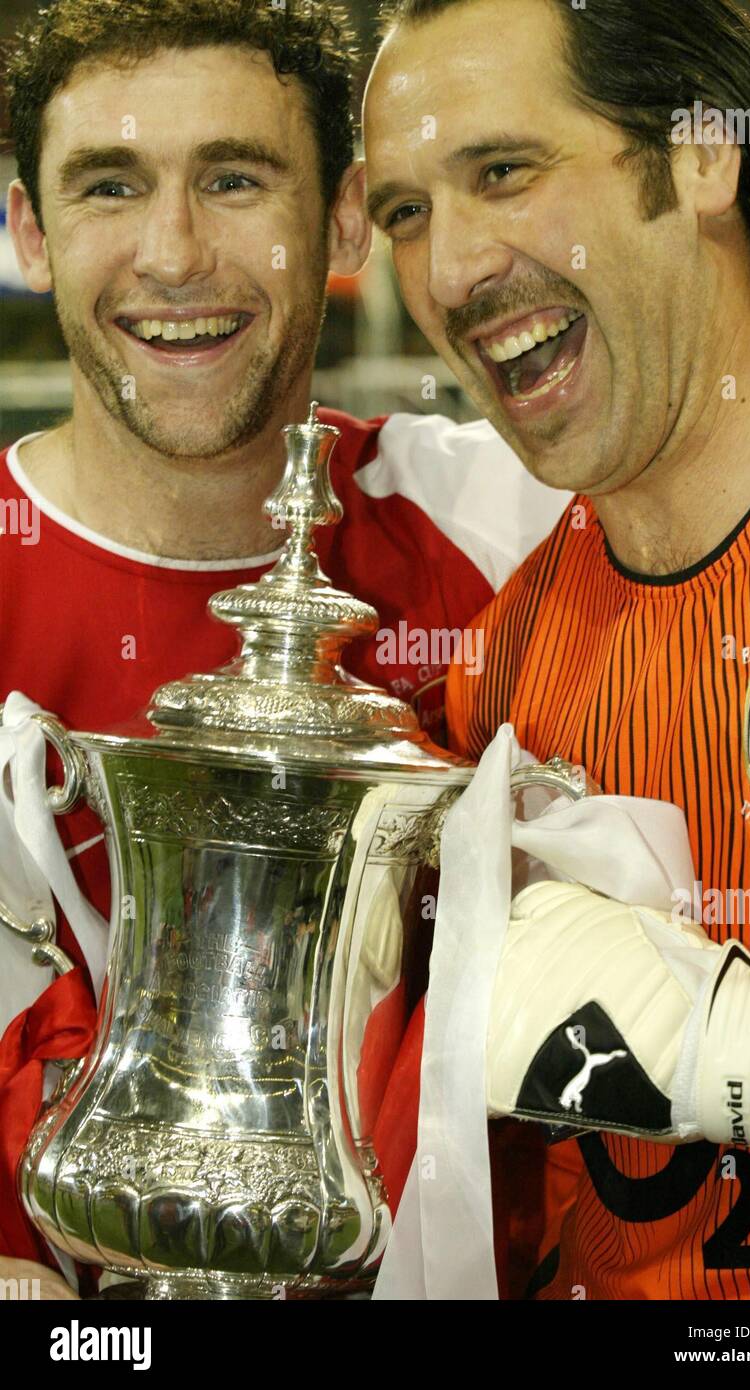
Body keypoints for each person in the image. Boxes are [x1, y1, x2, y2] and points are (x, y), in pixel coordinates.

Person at [0, 0, 570, 1296]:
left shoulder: (515, 535)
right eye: (109, 186)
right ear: (28, 230)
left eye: (236, 179)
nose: (174, 252)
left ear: (350, 217)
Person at [364, 0, 750, 1299]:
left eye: (504, 172)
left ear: (701, 156)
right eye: (407, 210)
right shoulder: (506, 656)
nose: (451, 269)